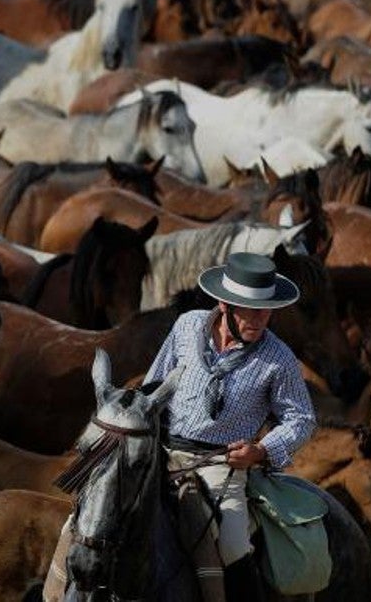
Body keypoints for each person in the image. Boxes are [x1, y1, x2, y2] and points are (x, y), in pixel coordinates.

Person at [142, 251, 317, 600]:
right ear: (224, 304)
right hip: (161, 452)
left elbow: (302, 418)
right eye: (250, 310)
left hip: (222, 466)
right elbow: (154, 384)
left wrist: (261, 450)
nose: (260, 319)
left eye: (266, 310)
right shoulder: (186, 325)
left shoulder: (278, 358)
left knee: (234, 544)